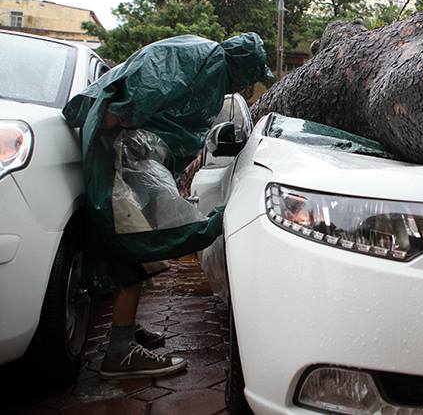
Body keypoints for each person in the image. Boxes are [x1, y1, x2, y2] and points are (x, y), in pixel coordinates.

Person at [63, 33, 271, 379]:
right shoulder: (208, 61)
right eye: (251, 75)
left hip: (128, 148)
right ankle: (120, 352)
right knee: (138, 242)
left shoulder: (201, 54)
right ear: (241, 63)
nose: (250, 84)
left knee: (134, 243)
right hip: (121, 149)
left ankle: (125, 327)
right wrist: (124, 133)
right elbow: (143, 92)